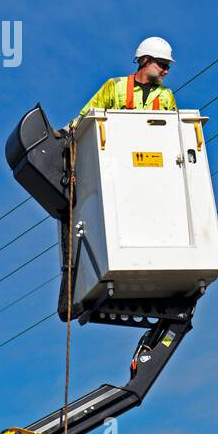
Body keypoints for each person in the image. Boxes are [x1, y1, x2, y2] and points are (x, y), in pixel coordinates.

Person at [58, 36, 180, 319]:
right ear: (145, 61)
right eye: (162, 65)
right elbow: (85, 118)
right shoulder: (115, 88)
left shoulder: (165, 98)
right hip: (117, 172)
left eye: (167, 67)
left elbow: (172, 133)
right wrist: (65, 137)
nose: (165, 72)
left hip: (151, 173)